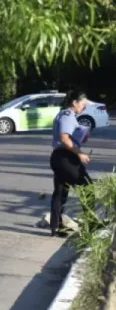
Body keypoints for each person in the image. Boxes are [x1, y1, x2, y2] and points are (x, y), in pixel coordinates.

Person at [49, 90, 93, 237]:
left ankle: (56, 227)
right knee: (88, 187)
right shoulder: (68, 116)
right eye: (82, 104)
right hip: (65, 158)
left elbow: (69, 137)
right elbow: (64, 138)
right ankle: (91, 225)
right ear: (74, 102)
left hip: (59, 157)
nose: (84, 108)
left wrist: (81, 137)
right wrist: (79, 153)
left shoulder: (65, 115)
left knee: (61, 192)